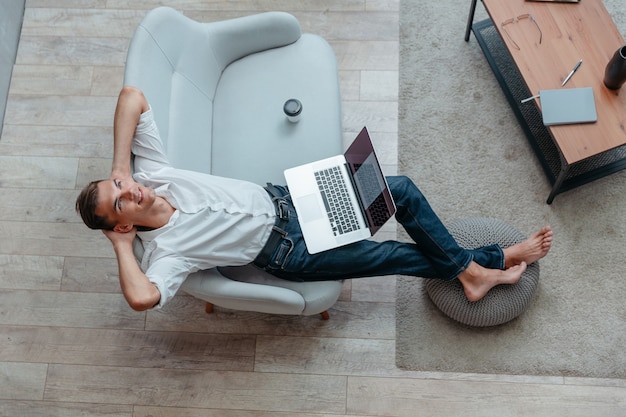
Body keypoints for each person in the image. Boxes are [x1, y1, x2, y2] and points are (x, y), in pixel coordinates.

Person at [76, 86, 553, 311]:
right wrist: (121, 247)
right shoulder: (166, 253)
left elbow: (131, 97)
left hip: (292, 199)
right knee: (393, 255)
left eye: (120, 185)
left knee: (399, 190)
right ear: (123, 225)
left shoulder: (151, 172)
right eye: (121, 203)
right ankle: (482, 267)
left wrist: (120, 166)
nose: (130, 190)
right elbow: (142, 298)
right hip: (292, 252)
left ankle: (473, 270)